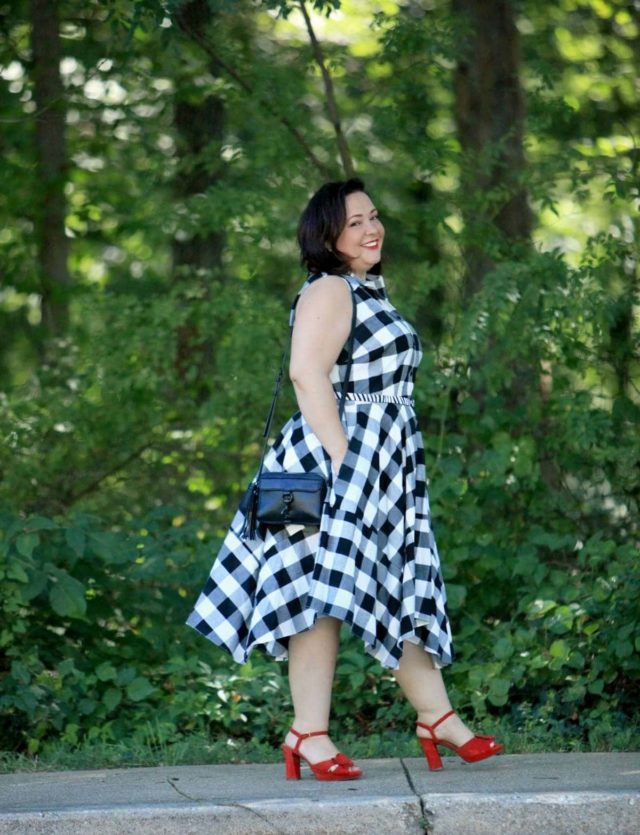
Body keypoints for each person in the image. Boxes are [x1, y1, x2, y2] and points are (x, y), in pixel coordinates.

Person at [187, 178, 503, 781]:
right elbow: (307, 376)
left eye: (374, 216)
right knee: (314, 599)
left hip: (365, 460)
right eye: (355, 221)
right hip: (324, 465)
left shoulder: (362, 290)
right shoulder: (331, 288)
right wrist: (344, 463)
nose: (371, 228)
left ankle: (432, 718)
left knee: (391, 580)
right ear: (327, 235)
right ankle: (315, 732)